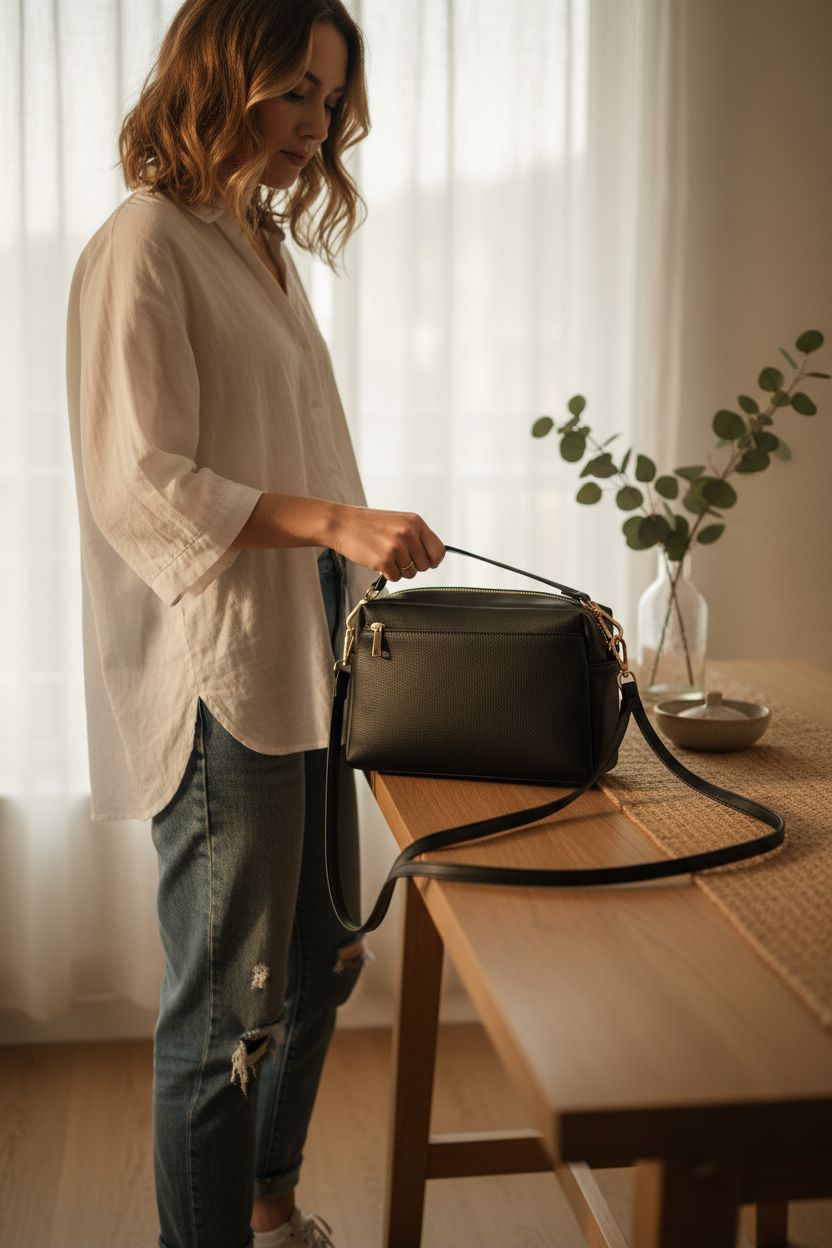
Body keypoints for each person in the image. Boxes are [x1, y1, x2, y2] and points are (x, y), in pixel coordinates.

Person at [64, 2, 445, 1245]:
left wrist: (355, 553)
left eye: (329, 101)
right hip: (224, 675)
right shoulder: (147, 245)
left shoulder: (255, 244)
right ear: (222, 75)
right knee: (227, 1013)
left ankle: (269, 1208)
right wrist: (337, 524)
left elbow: (287, 441)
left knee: (325, 960)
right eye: (295, 90)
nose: (314, 123)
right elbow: (140, 481)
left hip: (310, 663)